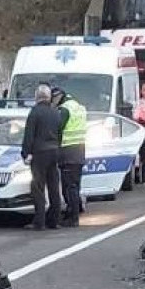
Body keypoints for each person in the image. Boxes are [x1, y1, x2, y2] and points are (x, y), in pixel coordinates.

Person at [20, 84, 63, 230]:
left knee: (37, 187)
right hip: (54, 151)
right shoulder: (55, 112)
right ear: (49, 97)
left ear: (36, 97)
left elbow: (29, 135)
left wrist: (26, 153)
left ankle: (39, 221)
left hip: (40, 153)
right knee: (53, 187)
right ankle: (54, 220)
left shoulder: (35, 112)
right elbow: (60, 134)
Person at [53, 86, 88, 228]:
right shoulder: (79, 107)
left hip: (68, 151)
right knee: (75, 185)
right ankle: (74, 211)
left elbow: (57, 128)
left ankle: (72, 218)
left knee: (69, 187)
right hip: (79, 150)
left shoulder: (65, 109)